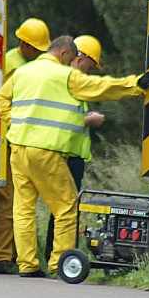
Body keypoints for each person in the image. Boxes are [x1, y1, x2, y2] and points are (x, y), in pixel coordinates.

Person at [0, 35, 149, 277]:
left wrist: (16, 122)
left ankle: (27, 265)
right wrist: (136, 84)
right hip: (46, 150)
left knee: (23, 209)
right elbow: (102, 87)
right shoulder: (65, 76)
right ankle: (59, 264)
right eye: (70, 58)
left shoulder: (23, 72)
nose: (70, 63)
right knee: (67, 207)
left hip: (18, 148)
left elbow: (1, 99)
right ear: (63, 53)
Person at [0, 18, 50, 275]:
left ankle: (11, 254)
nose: (39, 54)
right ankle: (0, 257)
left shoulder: (17, 61)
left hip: (12, 137)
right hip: (7, 137)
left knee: (17, 199)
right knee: (9, 200)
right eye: (36, 49)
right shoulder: (14, 65)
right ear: (23, 44)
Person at [43, 35, 105, 262]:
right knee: (65, 210)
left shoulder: (72, 80)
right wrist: (89, 120)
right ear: (80, 58)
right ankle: (59, 257)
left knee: (63, 210)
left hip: (71, 154)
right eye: (91, 65)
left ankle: (55, 255)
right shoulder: (67, 79)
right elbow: (58, 117)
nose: (91, 71)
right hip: (65, 154)